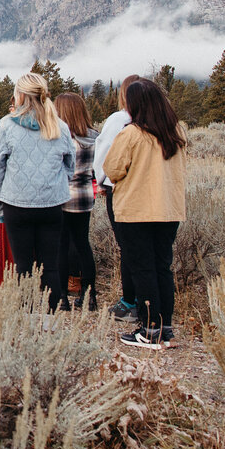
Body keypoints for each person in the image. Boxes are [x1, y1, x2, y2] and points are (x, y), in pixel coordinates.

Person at [104, 79, 188, 349]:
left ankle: (149, 329)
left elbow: (112, 169)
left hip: (137, 210)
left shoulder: (132, 134)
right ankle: (165, 327)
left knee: (143, 269)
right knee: (162, 267)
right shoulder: (176, 133)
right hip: (168, 210)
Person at [0, 72, 75, 311]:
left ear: (21, 95)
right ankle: (51, 321)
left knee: (22, 266)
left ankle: (26, 319)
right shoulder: (60, 126)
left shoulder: (7, 125)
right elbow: (70, 166)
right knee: (51, 267)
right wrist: (54, 185)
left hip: (17, 205)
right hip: (52, 206)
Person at [92, 74, 142, 322]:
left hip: (119, 187)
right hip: (149, 191)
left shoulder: (120, 119)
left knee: (128, 246)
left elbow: (105, 152)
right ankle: (145, 303)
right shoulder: (155, 120)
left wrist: (101, 180)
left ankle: (129, 302)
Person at [54, 92, 100, 310]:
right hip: (84, 197)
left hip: (61, 197)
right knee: (83, 245)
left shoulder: (59, 137)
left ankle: (62, 297)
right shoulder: (94, 137)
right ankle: (90, 297)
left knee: (61, 247)